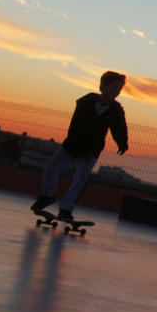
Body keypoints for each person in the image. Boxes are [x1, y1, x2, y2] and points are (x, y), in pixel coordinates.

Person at [30, 71, 129, 221]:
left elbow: (119, 128)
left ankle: (66, 208)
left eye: (119, 88)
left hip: (92, 150)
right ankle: (47, 196)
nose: (117, 91)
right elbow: (76, 126)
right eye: (114, 87)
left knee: (80, 179)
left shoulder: (116, 110)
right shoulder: (86, 102)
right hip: (73, 144)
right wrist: (81, 148)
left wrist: (122, 144)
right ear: (103, 86)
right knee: (51, 167)